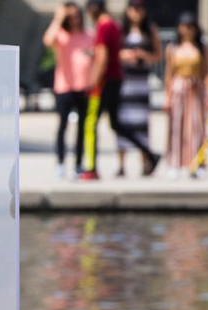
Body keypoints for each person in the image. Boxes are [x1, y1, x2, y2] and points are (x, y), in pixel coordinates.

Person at [82, 0, 160, 181]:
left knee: (90, 123)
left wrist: (92, 82)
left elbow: (102, 57)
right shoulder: (115, 26)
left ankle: (91, 167)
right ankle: (149, 153)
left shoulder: (103, 26)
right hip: (117, 80)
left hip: (104, 81)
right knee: (116, 124)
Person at [43, 3, 94, 179]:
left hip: (84, 87)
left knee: (82, 128)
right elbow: (47, 40)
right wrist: (58, 17)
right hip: (64, 87)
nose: (75, 20)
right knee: (62, 126)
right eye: (70, 17)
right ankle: (60, 163)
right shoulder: (61, 36)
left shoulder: (88, 36)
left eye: (77, 16)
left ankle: (79, 163)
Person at [115, 0, 161, 178]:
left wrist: (144, 56)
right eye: (133, 8)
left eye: (139, 8)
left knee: (142, 125)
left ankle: (145, 162)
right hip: (125, 82)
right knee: (122, 123)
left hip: (141, 82)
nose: (136, 12)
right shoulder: (121, 30)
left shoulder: (150, 30)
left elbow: (158, 55)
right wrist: (125, 55)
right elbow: (113, 52)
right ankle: (121, 165)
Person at [164, 12, 208, 179]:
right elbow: (169, 73)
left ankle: (198, 162)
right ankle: (175, 163)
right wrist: (167, 96)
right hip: (178, 88)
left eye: (190, 27)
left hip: (196, 89)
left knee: (197, 127)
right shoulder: (172, 48)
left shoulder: (202, 47)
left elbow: (207, 72)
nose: (187, 30)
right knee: (177, 127)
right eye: (184, 26)